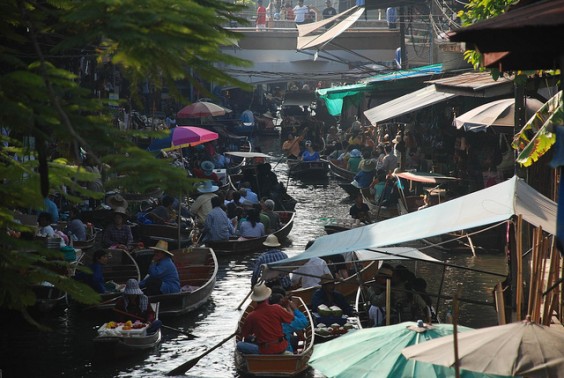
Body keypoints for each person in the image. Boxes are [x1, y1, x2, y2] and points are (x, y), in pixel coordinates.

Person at [236, 283, 295, 354]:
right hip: (281, 347)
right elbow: (292, 318)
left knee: (239, 345)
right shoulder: (277, 308)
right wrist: (288, 306)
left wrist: (241, 331)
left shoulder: (251, 316)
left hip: (265, 350)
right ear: (267, 297)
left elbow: (245, 334)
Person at [269, 287, 309, 353]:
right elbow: (304, 322)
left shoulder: (262, 315)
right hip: (284, 350)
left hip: (266, 350)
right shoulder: (286, 318)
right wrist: (294, 308)